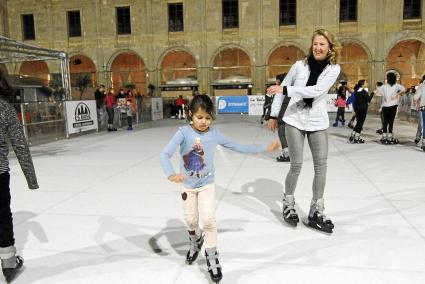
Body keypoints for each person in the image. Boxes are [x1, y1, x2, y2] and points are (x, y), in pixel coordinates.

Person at [160, 95, 278, 283]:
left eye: (208, 118)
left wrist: (264, 148)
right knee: (191, 221)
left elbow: (238, 146)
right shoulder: (183, 132)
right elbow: (164, 155)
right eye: (199, 117)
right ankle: (195, 239)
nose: (203, 122)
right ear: (191, 115)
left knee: (208, 220)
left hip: (207, 184)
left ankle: (212, 255)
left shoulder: (214, 134)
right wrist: (170, 173)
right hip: (188, 186)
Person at [267, 29, 341, 234]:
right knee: (296, 164)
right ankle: (288, 203)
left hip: (317, 121)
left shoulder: (333, 69)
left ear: (330, 48)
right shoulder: (299, 66)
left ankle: (316, 210)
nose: (318, 48)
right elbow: (282, 89)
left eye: (322, 45)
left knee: (321, 166)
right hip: (295, 120)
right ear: (312, 45)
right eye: (315, 44)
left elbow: (316, 91)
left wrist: (286, 90)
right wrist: (274, 115)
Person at [0, 69, 38, 283]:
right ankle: (8, 262)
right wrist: (31, 179)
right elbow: (20, 145)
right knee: (3, 215)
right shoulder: (4, 108)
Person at [375, 72, 406, 144]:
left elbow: (377, 91)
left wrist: (384, 95)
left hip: (386, 106)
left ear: (388, 79)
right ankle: (390, 136)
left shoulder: (384, 86)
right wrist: (396, 94)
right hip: (393, 105)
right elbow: (404, 89)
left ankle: (384, 136)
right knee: (391, 121)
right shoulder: (396, 86)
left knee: (385, 121)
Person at [274, 73, 291, 162]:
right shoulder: (291, 89)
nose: (276, 82)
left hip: (284, 117)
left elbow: (282, 105)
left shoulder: (283, 92)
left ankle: (287, 155)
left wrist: (278, 118)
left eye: (277, 80)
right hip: (292, 117)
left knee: (282, 135)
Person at [413, 77, 425, 151]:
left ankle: (423, 141)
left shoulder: (422, 86)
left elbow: (415, 97)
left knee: (422, 123)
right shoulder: (421, 86)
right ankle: (418, 137)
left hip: (423, 107)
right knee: (421, 123)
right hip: (422, 107)